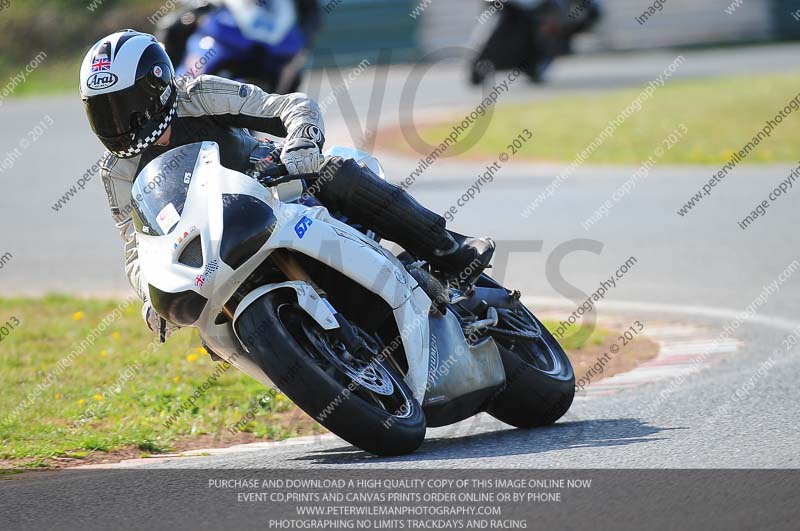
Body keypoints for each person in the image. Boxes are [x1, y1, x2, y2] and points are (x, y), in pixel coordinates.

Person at [79, 30, 495, 339]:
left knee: (337, 171)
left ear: (156, 88)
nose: (119, 124)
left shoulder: (199, 94)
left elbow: (287, 106)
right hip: (213, 246)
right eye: (104, 112)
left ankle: (448, 250)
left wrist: (301, 141)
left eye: (126, 107)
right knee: (212, 326)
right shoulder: (115, 172)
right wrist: (151, 295)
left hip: (277, 190)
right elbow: (137, 248)